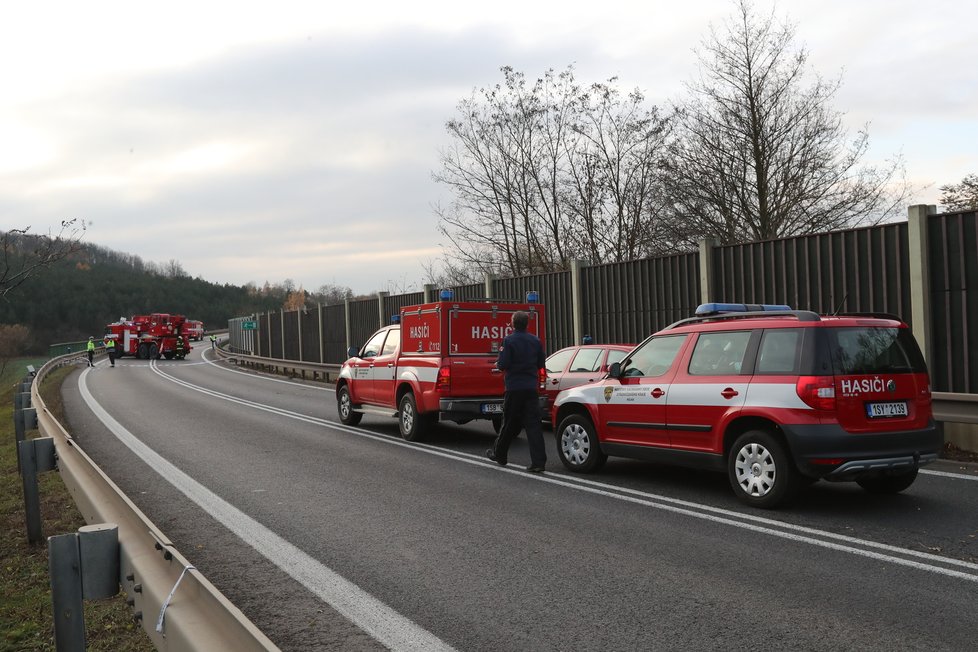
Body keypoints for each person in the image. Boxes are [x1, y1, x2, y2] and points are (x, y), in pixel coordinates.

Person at [486, 311, 547, 473]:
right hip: (530, 388)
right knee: (533, 425)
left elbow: (504, 363)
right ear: (527, 324)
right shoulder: (536, 341)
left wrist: (499, 364)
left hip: (514, 388)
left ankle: (500, 454)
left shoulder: (509, 341)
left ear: (512, 324)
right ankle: (538, 462)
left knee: (508, 423)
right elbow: (541, 362)